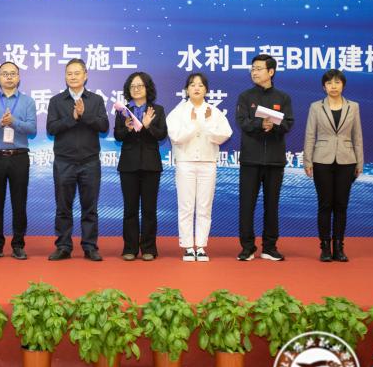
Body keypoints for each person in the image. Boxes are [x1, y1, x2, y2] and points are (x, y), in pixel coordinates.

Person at [46, 58, 109, 261]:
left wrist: (84, 115)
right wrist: (72, 117)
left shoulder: (96, 100)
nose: (73, 77)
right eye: (69, 73)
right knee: (63, 207)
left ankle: (90, 246)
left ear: (85, 75)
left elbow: (104, 126)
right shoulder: (56, 101)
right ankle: (63, 246)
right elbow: (51, 128)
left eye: (77, 73)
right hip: (64, 162)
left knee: (90, 208)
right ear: (65, 77)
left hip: (90, 162)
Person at [166, 72, 232, 262]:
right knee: (186, 206)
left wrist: (208, 123)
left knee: (204, 206)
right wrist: (195, 124)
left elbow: (225, 134)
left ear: (206, 90)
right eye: (192, 85)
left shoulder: (213, 112)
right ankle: (188, 246)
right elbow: (176, 137)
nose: (196, 88)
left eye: (200, 85)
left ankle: (201, 246)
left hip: (208, 163)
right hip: (185, 163)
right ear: (186, 89)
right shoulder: (178, 111)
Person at [235, 53, 294, 262]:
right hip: (250, 159)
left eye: (259, 69)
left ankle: (269, 247)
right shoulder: (245, 97)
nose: (254, 72)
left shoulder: (283, 98)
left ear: (271, 71)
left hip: (275, 160)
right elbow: (242, 122)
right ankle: (247, 247)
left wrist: (274, 125)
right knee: (246, 205)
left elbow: (288, 123)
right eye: (252, 69)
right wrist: (261, 124)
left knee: (272, 205)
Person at [0, 61, 37, 260]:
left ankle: (18, 245)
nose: (9, 77)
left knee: (19, 204)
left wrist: (14, 122)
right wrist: (0, 123)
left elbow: (32, 129)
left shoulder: (28, 102)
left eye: (13, 73)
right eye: (5, 73)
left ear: (18, 77)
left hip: (19, 157)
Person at [303, 69, 364, 262]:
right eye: (329, 83)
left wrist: (359, 162)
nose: (333, 86)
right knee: (325, 204)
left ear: (343, 85)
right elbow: (310, 135)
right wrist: (307, 160)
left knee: (341, 205)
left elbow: (357, 136)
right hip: (322, 159)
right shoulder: (316, 107)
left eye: (337, 82)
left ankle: (339, 247)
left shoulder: (353, 106)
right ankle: (325, 247)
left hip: (347, 160)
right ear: (324, 87)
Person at [113, 72, 167, 261]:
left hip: (151, 165)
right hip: (128, 165)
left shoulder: (157, 110)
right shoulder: (123, 111)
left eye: (140, 85)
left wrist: (147, 126)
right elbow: (118, 135)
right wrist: (128, 128)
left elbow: (162, 135)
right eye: (133, 86)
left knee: (149, 210)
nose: (136, 89)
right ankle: (130, 248)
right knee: (130, 209)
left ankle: (149, 248)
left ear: (147, 88)